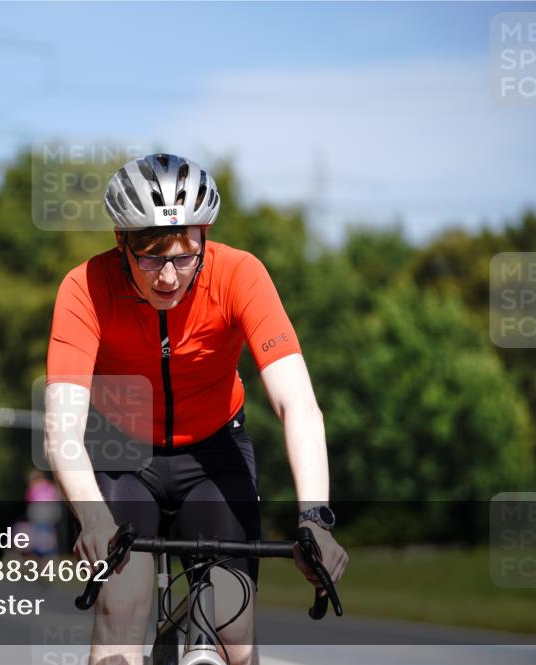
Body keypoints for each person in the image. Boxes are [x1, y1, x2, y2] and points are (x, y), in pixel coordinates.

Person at [44, 153, 348, 665]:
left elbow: (297, 403)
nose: (167, 276)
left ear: (205, 235)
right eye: (150, 257)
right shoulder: (86, 287)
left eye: (184, 255)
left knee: (232, 627)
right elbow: (62, 430)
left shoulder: (240, 274)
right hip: (125, 454)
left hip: (214, 452)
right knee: (121, 609)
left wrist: (314, 518)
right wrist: (93, 519)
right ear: (121, 241)